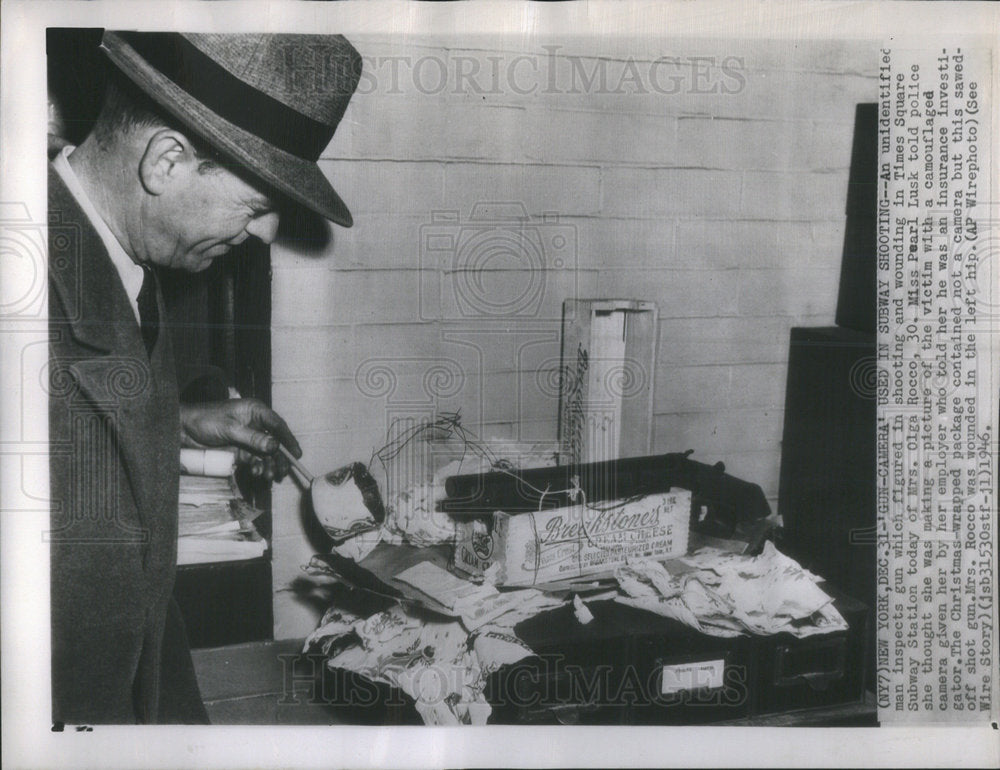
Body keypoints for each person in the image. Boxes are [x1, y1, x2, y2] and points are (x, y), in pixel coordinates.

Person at [48, 31, 361, 724]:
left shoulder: (129, 268)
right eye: (255, 205)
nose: (263, 233)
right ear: (166, 161)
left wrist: (176, 423)